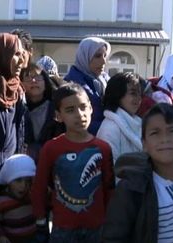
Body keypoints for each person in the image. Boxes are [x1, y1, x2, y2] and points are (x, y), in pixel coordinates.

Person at [102, 103, 173, 243]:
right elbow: (114, 237)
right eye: (155, 133)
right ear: (144, 143)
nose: (164, 139)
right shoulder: (132, 188)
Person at [31, 82, 114, 243]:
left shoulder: (103, 148)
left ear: (91, 108)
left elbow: (109, 189)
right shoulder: (51, 148)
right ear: (58, 115)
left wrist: (112, 221)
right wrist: (40, 220)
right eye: (70, 110)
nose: (79, 114)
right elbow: (40, 187)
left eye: (83, 107)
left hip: (97, 228)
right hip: (63, 228)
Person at [0, 32, 33, 238]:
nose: (21, 60)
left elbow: (20, 134)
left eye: (22, 54)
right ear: (0, 55)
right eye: (15, 54)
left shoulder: (17, 90)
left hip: (10, 176)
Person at [64, 37, 111, 135]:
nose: (103, 61)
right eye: (98, 56)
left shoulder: (106, 80)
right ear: (85, 56)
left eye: (105, 55)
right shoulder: (71, 84)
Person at [97, 72, 143, 170]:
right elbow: (110, 171)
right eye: (133, 93)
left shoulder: (139, 123)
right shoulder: (109, 129)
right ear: (117, 95)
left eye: (140, 93)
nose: (139, 98)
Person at [0, 154, 37, 243]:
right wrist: (0, 237)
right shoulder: (0, 201)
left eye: (28, 181)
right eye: (18, 180)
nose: (23, 186)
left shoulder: (32, 195)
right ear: (8, 181)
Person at [21, 62, 64, 161]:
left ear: (45, 82)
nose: (34, 81)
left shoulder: (55, 109)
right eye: (28, 77)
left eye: (38, 77)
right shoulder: (18, 110)